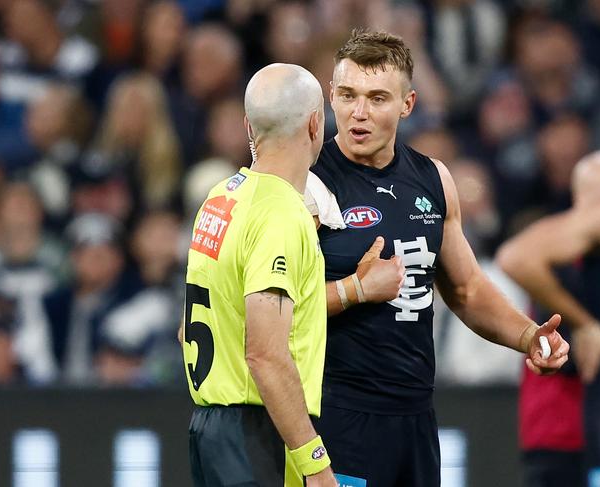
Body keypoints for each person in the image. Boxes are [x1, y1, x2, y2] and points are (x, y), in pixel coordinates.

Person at [308, 30, 570, 487]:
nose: (359, 112)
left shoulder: (433, 179)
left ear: (407, 105)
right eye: (347, 95)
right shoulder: (306, 185)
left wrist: (529, 336)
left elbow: (466, 288)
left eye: (377, 98)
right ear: (331, 94)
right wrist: (356, 291)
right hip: (336, 417)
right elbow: (274, 308)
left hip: (416, 419)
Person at [182, 64, 337, 487]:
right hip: (257, 434)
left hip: (210, 428)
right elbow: (265, 354)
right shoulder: (282, 216)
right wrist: (316, 465)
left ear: (248, 125)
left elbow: (188, 329)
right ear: (315, 122)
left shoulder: (219, 198)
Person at [496, 148, 600, 484]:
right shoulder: (560, 265)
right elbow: (564, 353)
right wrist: (590, 328)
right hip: (559, 433)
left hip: (599, 427)